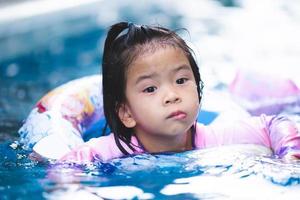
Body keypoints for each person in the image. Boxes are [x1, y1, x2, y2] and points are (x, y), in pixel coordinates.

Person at [59, 22, 300, 163]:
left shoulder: (214, 138)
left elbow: (274, 125)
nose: (172, 95)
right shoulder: (111, 152)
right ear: (126, 113)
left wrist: (290, 157)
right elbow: (66, 167)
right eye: (151, 88)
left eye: (181, 80)